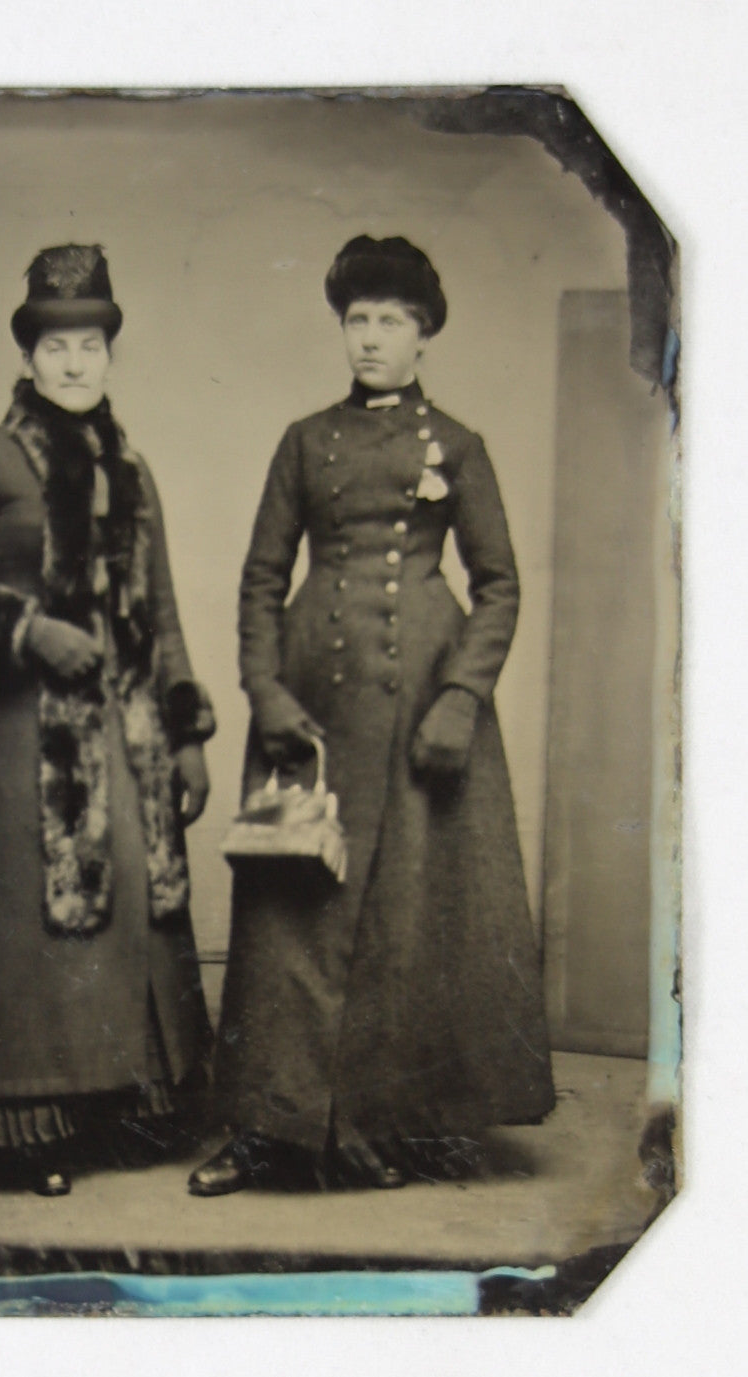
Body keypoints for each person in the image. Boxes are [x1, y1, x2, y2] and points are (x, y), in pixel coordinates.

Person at [189, 235, 556, 1196]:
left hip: (422, 704)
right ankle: (268, 1129)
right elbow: (264, 577)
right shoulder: (305, 440)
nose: (371, 338)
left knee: (405, 915)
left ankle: (389, 1124)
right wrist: (265, 691)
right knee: (290, 912)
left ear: (423, 334)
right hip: (312, 699)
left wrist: (460, 697)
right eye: (358, 319)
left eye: (391, 321)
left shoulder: (459, 445)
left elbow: (501, 584)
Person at [0, 244, 216, 1197]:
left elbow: (160, 608)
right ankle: (19, 1130)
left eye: (89, 343)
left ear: (108, 354)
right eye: (56, 345)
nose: (74, 362)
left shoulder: (131, 467)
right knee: (26, 925)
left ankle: (110, 1115)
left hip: (123, 733)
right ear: (30, 355)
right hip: (14, 731)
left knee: (121, 910)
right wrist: (26, 629)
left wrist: (189, 737)